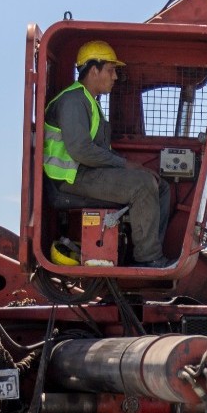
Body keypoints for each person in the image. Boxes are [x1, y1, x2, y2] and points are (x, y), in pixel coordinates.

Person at [42, 40, 170, 268]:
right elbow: (81, 150)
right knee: (142, 185)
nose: (115, 77)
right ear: (94, 70)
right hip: (71, 178)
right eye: (111, 70)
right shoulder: (73, 101)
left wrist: (128, 165)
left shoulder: (89, 101)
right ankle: (149, 259)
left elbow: (98, 151)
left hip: (86, 173)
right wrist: (125, 165)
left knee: (161, 187)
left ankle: (150, 253)